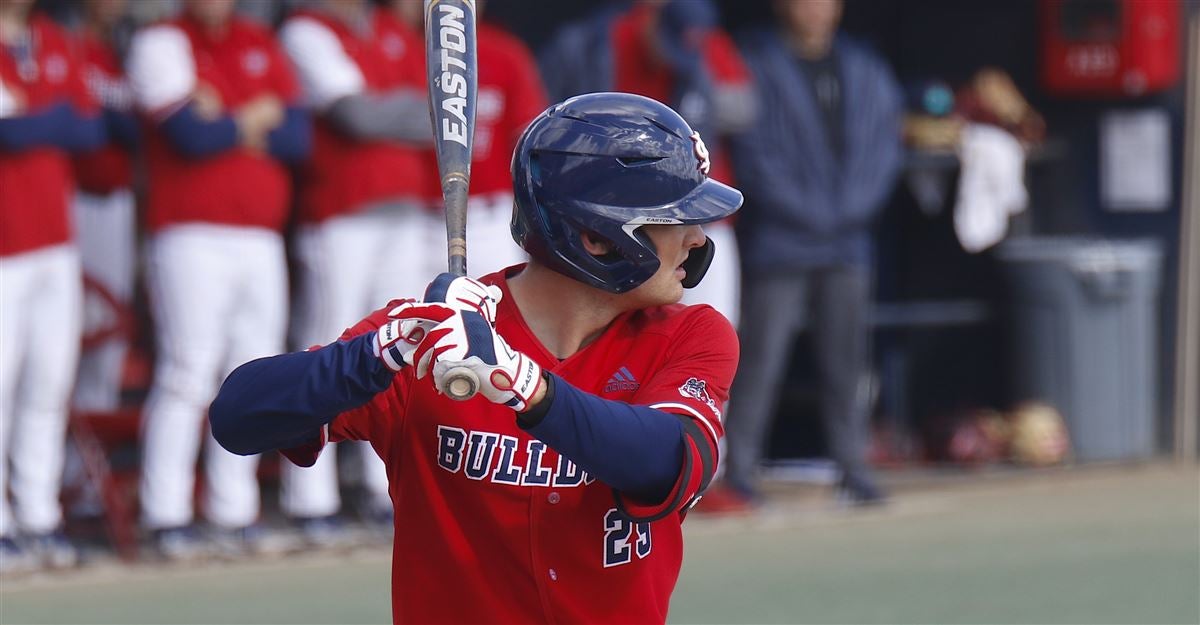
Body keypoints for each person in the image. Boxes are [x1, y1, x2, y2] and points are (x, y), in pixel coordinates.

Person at [210, 93, 739, 623]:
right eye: (676, 218)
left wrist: (529, 389)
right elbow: (238, 417)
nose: (696, 238)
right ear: (599, 238)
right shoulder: (434, 340)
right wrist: (378, 353)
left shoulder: (693, 335)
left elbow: (667, 465)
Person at [125, 0, 310, 558]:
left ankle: (234, 511)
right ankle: (166, 514)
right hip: (190, 233)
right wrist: (253, 117)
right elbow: (189, 137)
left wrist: (223, 118)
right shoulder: (162, 40)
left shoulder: (258, 40)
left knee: (252, 374)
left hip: (258, 234)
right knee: (189, 370)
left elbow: (298, 140)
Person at [720, 0, 903, 506]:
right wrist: (809, 212)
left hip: (848, 239)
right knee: (758, 357)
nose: (817, 9)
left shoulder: (865, 67)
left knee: (847, 361)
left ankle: (853, 467)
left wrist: (848, 209)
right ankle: (739, 469)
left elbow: (885, 149)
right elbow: (754, 153)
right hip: (782, 237)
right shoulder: (754, 60)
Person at [276, 0, 433, 540]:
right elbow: (353, 114)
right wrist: (410, 112)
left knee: (401, 346)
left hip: (405, 208)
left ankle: (382, 490)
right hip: (339, 213)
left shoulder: (392, 28)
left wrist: (400, 112)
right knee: (327, 347)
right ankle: (310, 498)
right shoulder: (307, 28)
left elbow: (447, 110)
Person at [538, 0, 755, 327]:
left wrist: (703, 98)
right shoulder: (596, 42)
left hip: (699, 206)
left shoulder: (706, 46)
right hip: (622, 217)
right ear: (650, 16)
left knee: (713, 326)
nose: (671, 57)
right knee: (619, 331)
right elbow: (547, 125)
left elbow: (745, 110)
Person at [0, 0, 104, 572]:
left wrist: (25, 124)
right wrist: (49, 122)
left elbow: (89, 130)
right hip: (3, 250)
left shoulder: (53, 39)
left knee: (46, 384)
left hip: (54, 243)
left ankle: (39, 517)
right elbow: (51, 127)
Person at [386, 0, 547, 277]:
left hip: (489, 219)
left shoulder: (504, 53)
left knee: (495, 313)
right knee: (415, 316)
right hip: (414, 223)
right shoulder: (401, 49)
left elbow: (530, 139)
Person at [71, 0, 139, 412]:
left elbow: (136, 130)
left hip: (117, 201)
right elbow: (81, 131)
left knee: (112, 324)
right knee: (73, 326)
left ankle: (89, 460)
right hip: (72, 200)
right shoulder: (64, 44)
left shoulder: (129, 49)